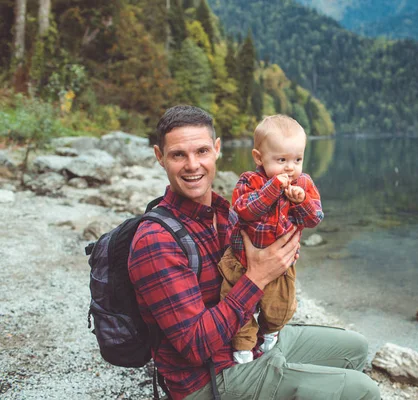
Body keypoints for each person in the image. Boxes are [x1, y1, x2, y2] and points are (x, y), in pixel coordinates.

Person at [128, 105, 380, 400]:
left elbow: (296, 223)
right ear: (160, 157)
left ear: (217, 150)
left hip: (252, 342)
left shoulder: (225, 213)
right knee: (363, 391)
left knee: (356, 349)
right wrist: (258, 276)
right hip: (209, 378)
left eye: (202, 151)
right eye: (178, 155)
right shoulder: (155, 240)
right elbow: (195, 346)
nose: (193, 165)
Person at [219, 115, 324, 365]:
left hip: (280, 266)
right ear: (259, 157)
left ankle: (270, 331)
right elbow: (244, 209)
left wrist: (301, 202)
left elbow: (315, 219)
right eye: (282, 160)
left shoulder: (303, 183)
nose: (290, 167)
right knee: (236, 304)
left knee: (280, 307)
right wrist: (273, 188)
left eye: (297, 159)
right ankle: (243, 345)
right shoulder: (249, 181)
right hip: (241, 260)